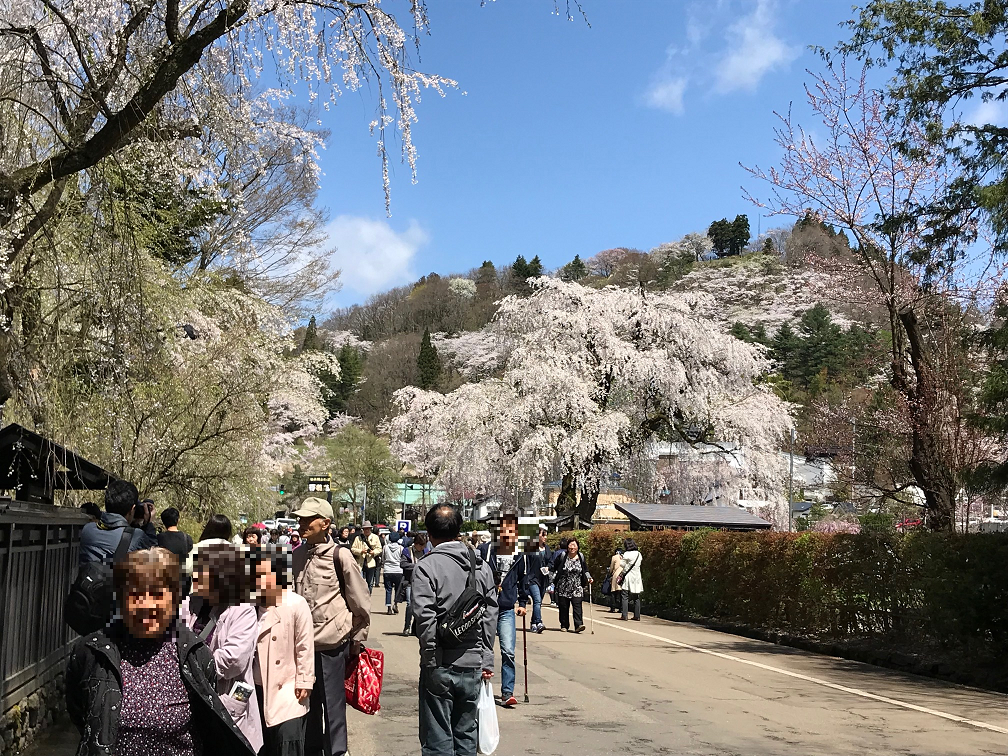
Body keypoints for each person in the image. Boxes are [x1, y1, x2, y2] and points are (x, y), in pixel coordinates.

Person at [66, 548, 255, 756]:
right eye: (135, 594)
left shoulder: (194, 655)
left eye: (157, 594)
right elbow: (81, 714)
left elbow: (205, 724)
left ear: (174, 599)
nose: (146, 605)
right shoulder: (92, 652)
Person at [411, 505, 498, 756]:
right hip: (472, 663)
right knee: (466, 734)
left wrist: (430, 658)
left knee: (437, 737)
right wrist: (485, 657)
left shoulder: (427, 567)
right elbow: (490, 614)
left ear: (428, 533)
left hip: (440, 662)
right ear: (460, 531)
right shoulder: (480, 566)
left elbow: (424, 617)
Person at [292, 497, 371, 756]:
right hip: (301, 647)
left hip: (331, 644)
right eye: (300, 518)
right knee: (307, 704)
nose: (301, 523)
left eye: (307, 519)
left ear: (325, 523)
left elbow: (359, 600)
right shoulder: (297, 555)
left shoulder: (341, 556)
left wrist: (357, 639)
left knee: (333, 704)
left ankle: (338, 752)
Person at [178, 542, 264, 752]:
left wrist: (189, 669)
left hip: (228, 696)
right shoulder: (191, 603)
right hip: (191, 699)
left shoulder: (242, 610)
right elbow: (173, 640)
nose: (196, 581)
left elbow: (233, 660)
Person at [252, 546, 315, 756]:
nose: (258, 580)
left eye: (263, 574)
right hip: (256, 685)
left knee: (287, 740)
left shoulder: (296, 604)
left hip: (288, 686)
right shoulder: (248, 606)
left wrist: (305, 680)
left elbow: (305, 645)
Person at [477, 512, 528, 707]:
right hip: (485, 607)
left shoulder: (519, 555)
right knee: (484, 649)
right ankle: (481, 686)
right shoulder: (486, 550)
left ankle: (507, 692)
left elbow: (524, 580)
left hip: (506, 608)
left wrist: (523, 603)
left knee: (508, 651)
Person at [79, 478, 158, 564]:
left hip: (90, 576)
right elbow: (154, 561)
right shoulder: (136, 537)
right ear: (132, 509)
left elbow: (105, 558)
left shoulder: (88, 530)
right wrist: (149, 523)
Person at [553, 539, 592, 633]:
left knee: (577, 605)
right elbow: (555, 568)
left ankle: (578, 624)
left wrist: (589, 578)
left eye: (574, 545)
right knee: (564, 607)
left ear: (577, 547)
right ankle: (564, 625)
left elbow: (585, 570)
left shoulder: (581, 557)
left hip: (577, 586)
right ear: (567, 546)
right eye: (570, 545)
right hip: (563, 585)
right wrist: (553, 579)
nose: (572, 547)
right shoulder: (563, 556)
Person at [158, 507, 195, 597]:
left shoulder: (158, 538)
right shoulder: (187, 538)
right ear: (178, 520)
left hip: (164, 581)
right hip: (183, 583)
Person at [399, 531, 427, 636]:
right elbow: (403, 564)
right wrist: (417, 566)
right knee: (410, 604)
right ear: (416, 544)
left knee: (420, 606)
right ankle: (407, 627)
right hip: (409, 582)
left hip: (422, 583)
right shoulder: (407, 551)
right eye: (421, 545)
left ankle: (416, 628)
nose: (423, 548)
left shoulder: (426, 552)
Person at [528, 525, 553, 632]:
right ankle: (539, 622)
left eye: (546, 535)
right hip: (532, 578)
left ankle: (533, 623)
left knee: (538, 602)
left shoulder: (546, 548)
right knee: (537, 600)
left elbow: (551, 561)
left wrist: (548, 567)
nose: (545, 537)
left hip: (543, 579)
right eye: (543, 535)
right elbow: (526, 564)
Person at [350, 521, 382, 593]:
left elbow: (379, 549)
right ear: (363, 530)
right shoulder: (358, 538)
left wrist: (373, 552)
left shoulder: (375, 537)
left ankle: (368, 597)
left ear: (370, 529)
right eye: (365, 529)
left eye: (368, 529)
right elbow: (353, 549)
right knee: (360, 583)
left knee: (370, 583)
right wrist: (361, 551)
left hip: (371, 563)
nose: (367, 530)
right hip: (360, 563)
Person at [619, 538, 644, 622]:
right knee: (636, 597)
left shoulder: (627, 554)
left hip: (629, 576)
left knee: (625, 596)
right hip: (637, 576)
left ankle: (624, 615)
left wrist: (621, 558)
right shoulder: (639, 554)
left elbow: (622, 565)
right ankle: (637, 615)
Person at [382, 530, 404, 615]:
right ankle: (395, 604)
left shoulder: (385, 547)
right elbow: (402, 559)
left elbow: (383, 558)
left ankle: (388, 608)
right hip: (398, 570)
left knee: (388, 589)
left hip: (387, 570)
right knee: (397, 589)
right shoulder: (400, 548)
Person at [607, 546, 624, 613]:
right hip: (622, 575)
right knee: (621, 593)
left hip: (616, 575)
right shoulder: (624, 557)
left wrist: (610, 573)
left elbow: (611, 567)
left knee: (613, 592)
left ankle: (613, 608)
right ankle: (621, 608)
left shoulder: (614, 557)